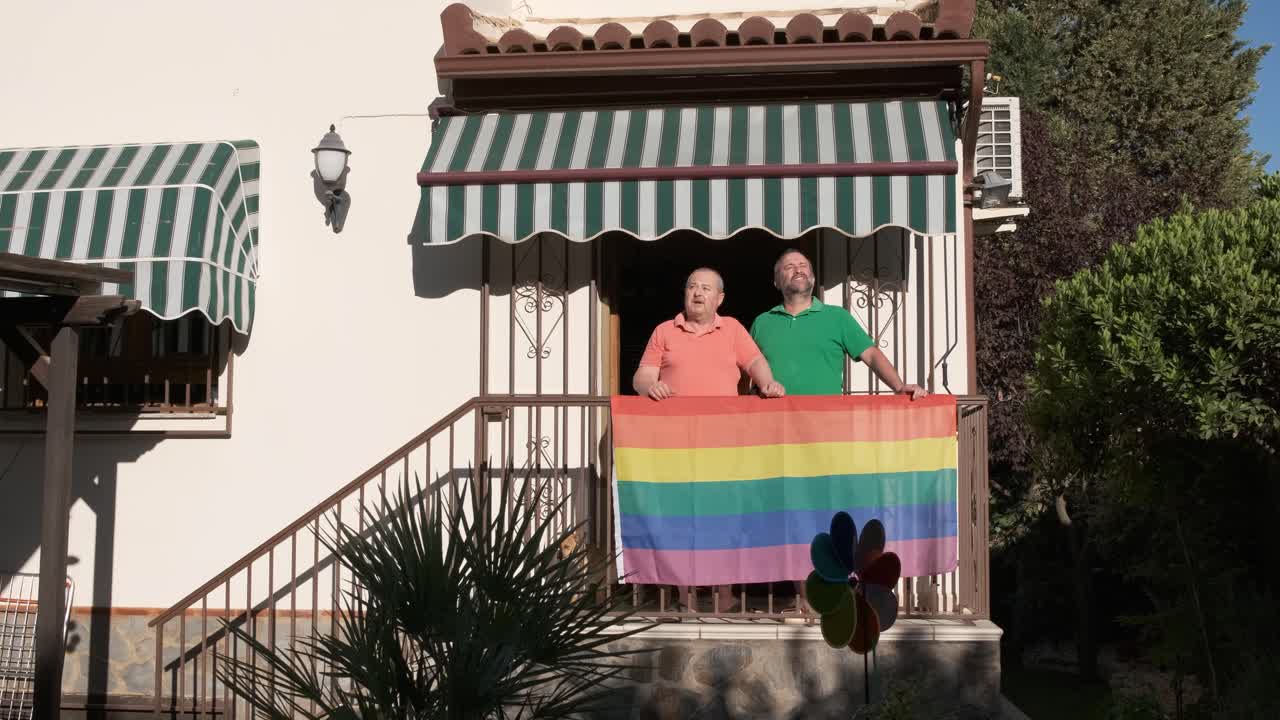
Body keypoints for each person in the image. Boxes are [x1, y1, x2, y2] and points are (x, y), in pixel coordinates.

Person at [750, 248, 927, 612]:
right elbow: (745, 376)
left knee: (825, 515)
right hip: (777, 438)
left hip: (826, 438)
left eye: (804, 266)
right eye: (788, 267)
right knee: (789, 515)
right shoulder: (761, 323)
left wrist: (899, 386)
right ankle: (804, 599)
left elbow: (872, 354)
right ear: (776, 280)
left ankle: (831, 594)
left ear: (813, 278)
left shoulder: (837, 318)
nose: (798, 271)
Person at [633, 267, 784, 612]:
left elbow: (756, 362)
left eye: (706, 288)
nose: (698, 293)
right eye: (692, 287)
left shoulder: (731, 328)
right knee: (681, 517)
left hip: (723, 444)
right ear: (684, 293)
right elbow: (642, 375)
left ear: (720, 299)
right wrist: (649, 386)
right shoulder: (663, 331)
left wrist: (767, 383)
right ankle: (685, 596)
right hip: (676, 444)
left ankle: (725, 595)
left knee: (724, 517)